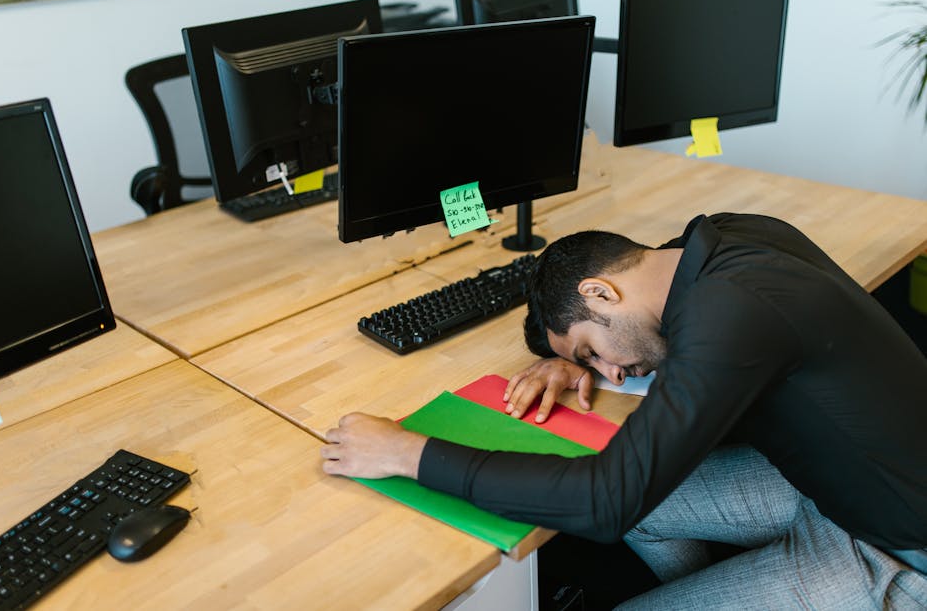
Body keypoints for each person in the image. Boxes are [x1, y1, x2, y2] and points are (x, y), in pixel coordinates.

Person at [322, 213, 927, 608]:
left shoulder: (731, 315)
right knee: (643, 494)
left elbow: (605, 502)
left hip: (896, 554)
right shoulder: (727, 240)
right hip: (832, 483)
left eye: (592, 351)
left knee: (617, 500)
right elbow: (652, 315)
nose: (610, 374)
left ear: (600, 292)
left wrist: (406, 451)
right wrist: (578, 357)